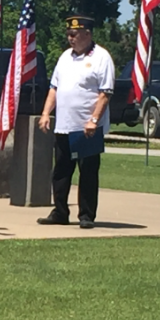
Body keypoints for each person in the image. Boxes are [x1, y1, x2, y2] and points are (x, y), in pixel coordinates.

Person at [37, 15, 115, 229]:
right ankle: (60, 211)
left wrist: (94, 120)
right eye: (69, 34)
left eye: (74, 34)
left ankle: (87, 215)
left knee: (88, 171)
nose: (70, 38)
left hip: (87, 128)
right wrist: (45, 113)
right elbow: (54, 87)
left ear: (87, 35)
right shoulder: (65, 57)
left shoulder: (101, 57)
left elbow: (105, 93)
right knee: (61, 171)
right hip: (64, 125)